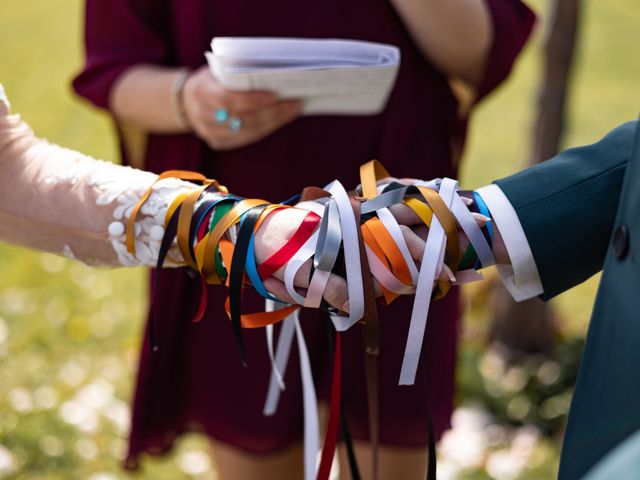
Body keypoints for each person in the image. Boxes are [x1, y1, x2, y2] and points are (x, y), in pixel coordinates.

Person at [73, 1, 535, 477]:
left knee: (391, 439)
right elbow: (114, 65)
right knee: (254, 442)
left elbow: (481, 52)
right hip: (237, 226)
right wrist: (189, 99)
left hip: (399, 225)